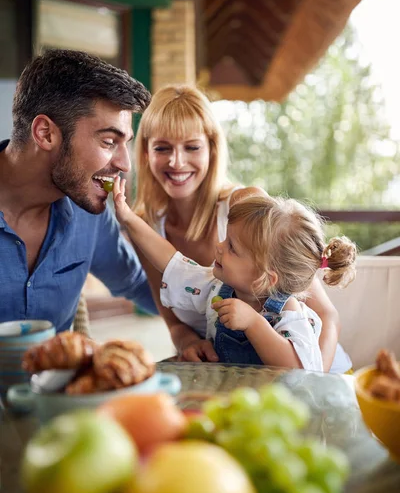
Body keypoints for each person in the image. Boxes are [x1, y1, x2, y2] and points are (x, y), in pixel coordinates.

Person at [132, 84, 342, 370]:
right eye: (162, 147)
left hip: (309, 368)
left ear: (212, 149)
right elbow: (173, 321)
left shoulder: (245, 205)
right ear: (145, 152)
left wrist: (314, 384)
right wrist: (188, 343)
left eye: (192, 146)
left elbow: (326, 315)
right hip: (231, 375)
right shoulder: (145, 227)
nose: (176, 161)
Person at [114, 179, 356, 371]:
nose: (219, 246)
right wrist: (127, 216)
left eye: (231, 247)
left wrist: (254, 323)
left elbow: (300, 370)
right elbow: (172, 262)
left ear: (264, 278)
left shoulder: (290, 314)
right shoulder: (214, 287)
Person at [0, 49, 157, 333]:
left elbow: (139, 284)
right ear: (45, 133)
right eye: (109, 142)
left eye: (126, 143)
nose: (125, 164)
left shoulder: (89, 212)